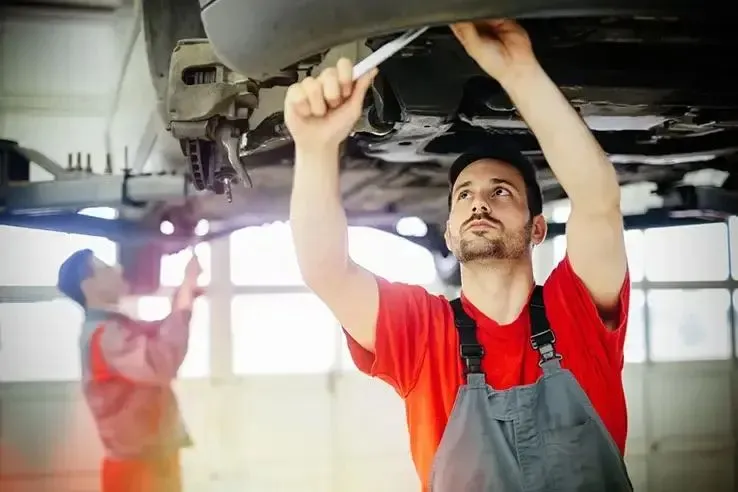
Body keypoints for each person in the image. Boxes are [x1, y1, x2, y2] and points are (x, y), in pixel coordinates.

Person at [285, 18, 633, 492]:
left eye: (502, 192)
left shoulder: (578, 311)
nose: (479, 203)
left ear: (536, 228)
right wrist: (316, 148)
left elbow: (597, 202)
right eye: (463, 196)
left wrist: (520, 72)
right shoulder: (423, 332)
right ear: (449, 234)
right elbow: (326, 270)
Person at [57, 249, 202, 492]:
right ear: (88, 286)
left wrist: (183, 298)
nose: (118, 270)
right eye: (105, 268)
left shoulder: (113, 328)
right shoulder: (106, 336)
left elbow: (159, 332)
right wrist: (185, 293)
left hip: (149, 461)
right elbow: (162, 362)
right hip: (139, 473)